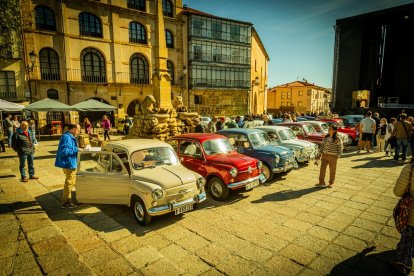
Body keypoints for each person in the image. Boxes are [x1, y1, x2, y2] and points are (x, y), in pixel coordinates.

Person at [393, 159, 414, 275]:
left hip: (412, 214)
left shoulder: (410, 169)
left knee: (408, 239)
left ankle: (403, 264)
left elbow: (397, 191)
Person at [55, 124, 81, 208]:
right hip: (69, 163)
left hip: (70, 162)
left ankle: (69, 200)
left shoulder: (69, 136)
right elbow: (64, 151)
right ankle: (66, 202)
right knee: (69, 183)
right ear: (74, 129)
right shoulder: (67, 137)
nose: (79, 132)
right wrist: (77, 149)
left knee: (71, 182)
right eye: (78, 130)